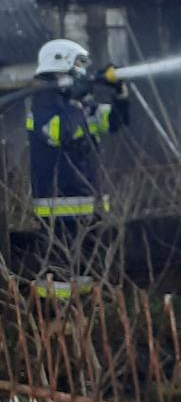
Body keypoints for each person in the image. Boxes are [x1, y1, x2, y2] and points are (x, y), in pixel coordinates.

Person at [24, 39, 130, 298]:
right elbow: (62, 134)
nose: (83, 73)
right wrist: (74, 99)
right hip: (58, 200)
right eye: (78, 67)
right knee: (60, 267)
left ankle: (83, 308)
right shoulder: (43, 103)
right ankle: (53, 311)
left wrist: (120, 93)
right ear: (61, 65)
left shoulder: (82, 104)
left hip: (87, 198)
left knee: (86, 267)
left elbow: (115, 122)